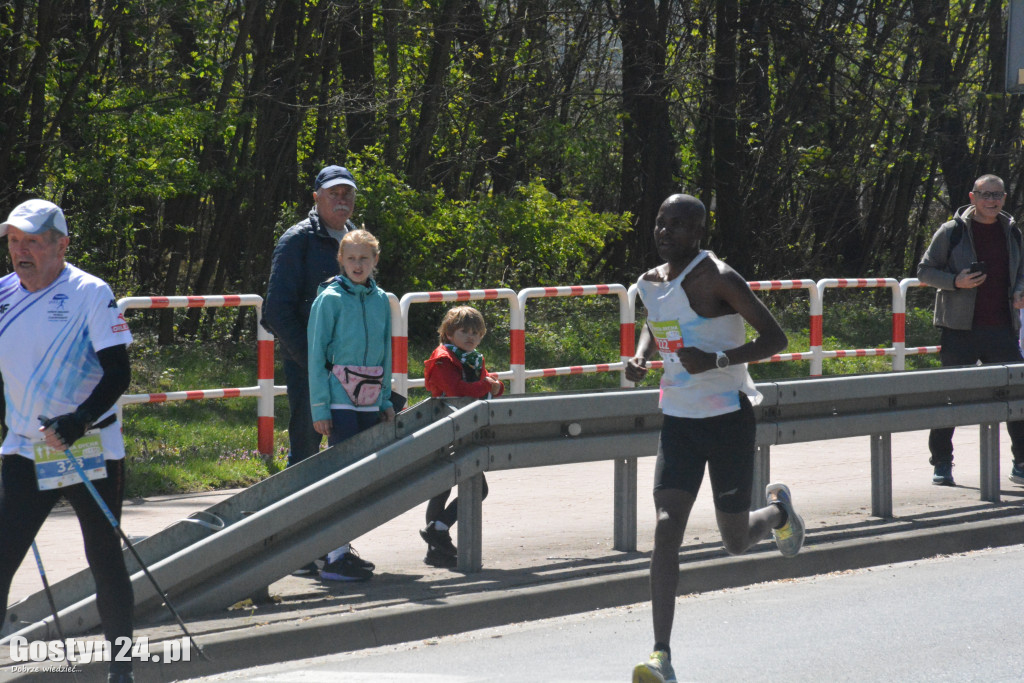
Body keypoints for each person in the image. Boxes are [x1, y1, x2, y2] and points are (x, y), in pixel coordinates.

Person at [626, 194, 805, 683]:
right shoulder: (649, 282)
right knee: (667, 525)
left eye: (679, 225)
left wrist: (719, 361)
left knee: (734, 541)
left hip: (728, 417)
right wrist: (641, 356)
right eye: (661, 222)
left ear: (698, 233)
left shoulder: (719, 277)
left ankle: (778, 512)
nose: (666, 231)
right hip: (678, 419)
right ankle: (661, 654)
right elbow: (656, 321)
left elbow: (775, 339)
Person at [0, 199, 136, 683]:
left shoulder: (89, 292)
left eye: (34, 241)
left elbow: (119, 373)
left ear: (62, 245)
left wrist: (78, 420)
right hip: (24, 449)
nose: (22, 252)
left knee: (103, 557)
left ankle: (122, 668)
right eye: (15, 241)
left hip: (88, 446)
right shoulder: (2, 295)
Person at [917, 174, 1024, 487]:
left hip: (1002, 329)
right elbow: (924, 271)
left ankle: (1021, 463)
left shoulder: (1012, 232)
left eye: (997, 195)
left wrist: (1019, 290)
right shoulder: (952, 231)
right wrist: (954, 281)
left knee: (1017, 398)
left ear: (1004, 198)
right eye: (985, 194)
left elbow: (1021, 273)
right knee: (949, 397)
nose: (991, 200)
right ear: (973, 196)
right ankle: (942, 464)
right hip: (959, 329)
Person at [307, 229, 395, 581]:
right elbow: (315, 357)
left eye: (365, 258)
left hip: (371, 395)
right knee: (341, 476)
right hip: (339, 396)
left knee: (361, 478)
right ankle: (333, 558)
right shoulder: (329, 299)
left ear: (375, 261)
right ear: (340, 260)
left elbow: (387, 352)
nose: (358, 265)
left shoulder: (380, 300)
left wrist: (386, 399)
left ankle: (339, 549)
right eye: (351, 258)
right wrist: (320, 408)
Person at [263, 165, 358, 467]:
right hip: (307, 367)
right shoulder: (297, 240)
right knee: (305, 451)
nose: (341, 200)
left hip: (353, 365)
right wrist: (311, 360)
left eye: (347, 194)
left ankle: (342, 513)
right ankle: (295, 513)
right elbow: (275, 310)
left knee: (352, 448)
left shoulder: (358, 240)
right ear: (317, 197)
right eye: (334, 194)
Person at [420, 306, 505, 568]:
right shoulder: (443, 358)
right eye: (464, 331)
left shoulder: (472, 358)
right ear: (448, 333)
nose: (470, 337)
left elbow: (493, 387)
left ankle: (436, 547)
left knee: (448, 488)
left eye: (476, 333)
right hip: (442, 430)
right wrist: (487, 385)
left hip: (463, 431)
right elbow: (457, 390)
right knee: (463, 488)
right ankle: (439, 531)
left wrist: (494, 385)